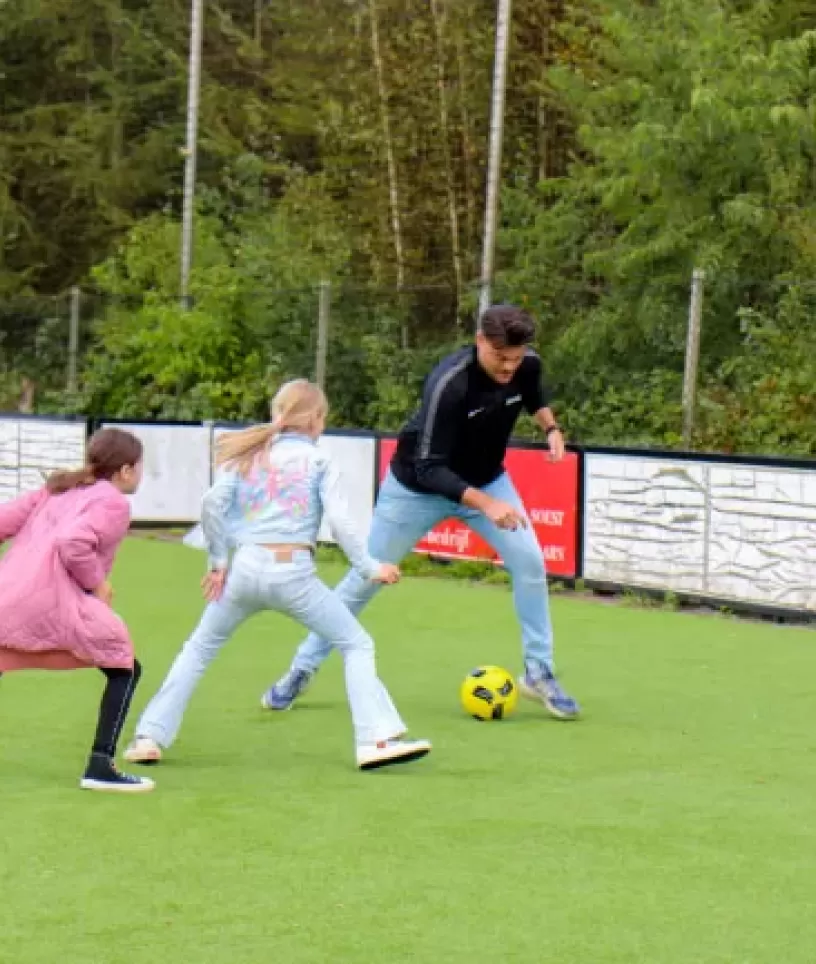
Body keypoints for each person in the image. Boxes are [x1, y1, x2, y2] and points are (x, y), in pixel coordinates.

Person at [263, 305, 581, 720]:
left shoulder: (526, 364)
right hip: (415, 489)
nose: (509, 368)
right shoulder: (449, 385)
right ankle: (301, 668)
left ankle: (538, 671)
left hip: (487, 482)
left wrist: (550, 427)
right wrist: (487, 505)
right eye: (501, 358)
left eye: (516, 359)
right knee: (364, 580)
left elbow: (533, 395)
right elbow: (430, 467)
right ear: (480, 341)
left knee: (530, 563)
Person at [124, 379, 432, 772]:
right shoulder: (320, 461)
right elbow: (340, 522)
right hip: (293, 574)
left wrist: (218, 562)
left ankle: (149, 736)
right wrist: (370, 568)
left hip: (244, 570)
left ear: (277, 414)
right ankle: (374, 738)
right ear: (317, 420)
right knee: (355, 643)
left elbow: (211, 504)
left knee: (198, 649)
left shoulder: (248, 454)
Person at [0, 427, 153, 793]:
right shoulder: (114, 502)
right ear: (126, 470)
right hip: (51, 600)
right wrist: (97, 583)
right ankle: (100, 766)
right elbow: (74, 544)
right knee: (124, 665)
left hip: (7, 596)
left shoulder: (57, 489)